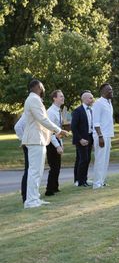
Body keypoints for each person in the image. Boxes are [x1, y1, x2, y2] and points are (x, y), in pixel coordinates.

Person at [20, 79, 69, 208]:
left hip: (39, 139)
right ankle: (31, 201)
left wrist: (54, 133)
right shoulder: (34, 99)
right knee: (35, 171)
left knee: (37, 171)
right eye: (42, 86)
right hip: (35, 139)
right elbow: (42, 119)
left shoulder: (34, 99)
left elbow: (42, 121)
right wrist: (58, 130)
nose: (44, 88)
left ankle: (35, 198)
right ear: (38, 87)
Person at [92, 83, 114, 189]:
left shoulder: (109, 102)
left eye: (111, 90)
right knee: (100, 160)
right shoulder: (98, 103)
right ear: (103, 92)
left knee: (105, 160)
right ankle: (96, 183)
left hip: (108, 135)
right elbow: (95, 122)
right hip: (101, 135)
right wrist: (100, 136)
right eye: (109, 90)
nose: (111, 91)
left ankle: (102, 181)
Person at [71, 91, 95, 187]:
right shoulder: (78, 111)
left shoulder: (92, 110)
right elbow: (73, 127)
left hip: (90, 137)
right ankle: (80, 181)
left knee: (86, 159)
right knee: (83, 159)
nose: (92, 99)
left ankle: (83, 179)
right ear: (84, 99)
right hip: (81, 138)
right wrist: (80, 139)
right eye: (90, 98)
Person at [45, 90, 65, 196]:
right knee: (54, 166)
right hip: (51, 141)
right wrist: (57, 146)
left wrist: (61, 143)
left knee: (58, 166)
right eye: (61, 96)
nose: (63, 98)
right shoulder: (50, 112)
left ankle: (55, 187)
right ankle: (49, 190)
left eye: (63, 96)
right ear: (54, 98)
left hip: (57, 139)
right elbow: (50, 131)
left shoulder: (58, 110)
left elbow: (59, 130)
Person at [13, 113, 29, 204]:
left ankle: (30, 194)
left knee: (32, 171)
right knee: (29, 170)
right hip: (28, 145)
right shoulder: (27, 113)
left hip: (33, 144)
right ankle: (25, 195)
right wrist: (24, 140)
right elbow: (17, 127)